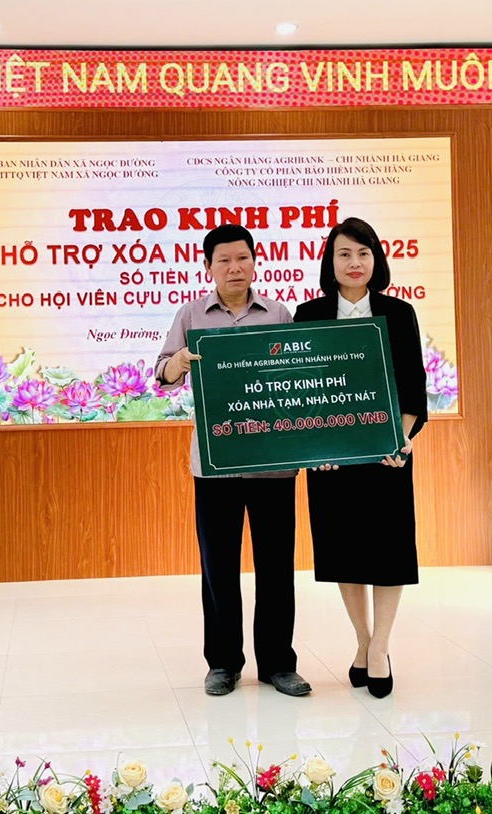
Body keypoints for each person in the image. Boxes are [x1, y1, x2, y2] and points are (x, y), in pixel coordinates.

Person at [155, 223, 312, 698]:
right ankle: (223, 663)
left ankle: (278, 664)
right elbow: (162, 373)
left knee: (276, 567)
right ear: (208, 268)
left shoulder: (279, 314)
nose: (234, 267)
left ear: (255, 262)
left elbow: (299, 378)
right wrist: (178, 362)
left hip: (272, 462)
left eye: (242, 258)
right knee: (218, 568)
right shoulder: (190, 315)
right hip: (216, 463)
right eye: (223, 260)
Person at [293, 216, 428, 699]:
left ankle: (381, 647)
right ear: (330, 262)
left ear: (376, 260)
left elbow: (413, 385)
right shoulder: (308, 315)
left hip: (388, 456)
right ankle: (363, 640)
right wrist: (316, 446)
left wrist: (399, 439)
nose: (354, 263)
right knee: (345, 552)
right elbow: (300, 391)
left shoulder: (399, 313)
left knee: (390, 553)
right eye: (345, 254)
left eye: (363, 253)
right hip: (331, 461)